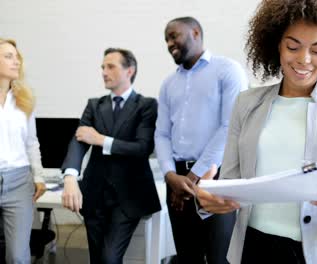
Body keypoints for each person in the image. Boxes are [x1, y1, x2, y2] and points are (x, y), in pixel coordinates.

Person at [195, 0, 317, 263]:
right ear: (277, 45)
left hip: (316, 252)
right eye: (293, 47)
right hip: (254, 248)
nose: (304, 59)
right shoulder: (247, 103)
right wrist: (207, 197)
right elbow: (230, 183)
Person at [155, 16, 248, 264]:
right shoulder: (168, 84)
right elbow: (161, 134)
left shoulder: (227, 70)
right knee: (187, 258)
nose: (169, 43)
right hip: (176, 184)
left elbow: (230, 127)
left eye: (174, 35)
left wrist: (193, 176)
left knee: (220, 259)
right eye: (166, 39)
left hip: (216, 179)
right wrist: (169, 175)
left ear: (195, 32)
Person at [61, 48, 160, 264]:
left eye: (111, 66)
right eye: (103, 67)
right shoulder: (94, 105)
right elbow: (78, 142)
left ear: (129, 71)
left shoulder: (146, 105)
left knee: (109, 258)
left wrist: (101, 140)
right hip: (94, 194)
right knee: (97, 258)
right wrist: (70, 176)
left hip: (128, 196)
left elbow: (143, 148)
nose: (104, 72)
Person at [0, 38, 47, 264]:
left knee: (18, 256)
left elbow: (31, 141)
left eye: (17, 56)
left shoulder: (25, 99)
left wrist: (38, 176)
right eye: (8, 56)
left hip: (19, 182)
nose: (16, 61)